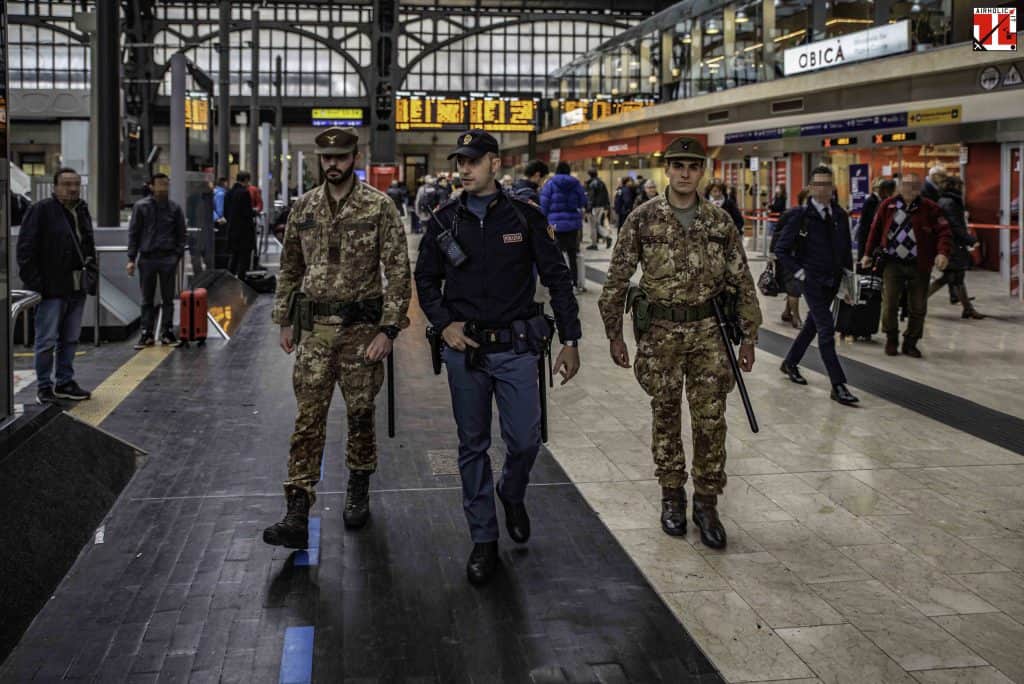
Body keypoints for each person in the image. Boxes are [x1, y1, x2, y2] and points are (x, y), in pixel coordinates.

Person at [414, 129, 581, 586]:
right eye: (460, 162)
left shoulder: (525, 218)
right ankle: (484, 539)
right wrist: (443, 323)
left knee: (526, 441)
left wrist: (571, 338)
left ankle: (512, 491)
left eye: (472, 161)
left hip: (515, 348)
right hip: (464, 351)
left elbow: (558, 278)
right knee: (473, 447)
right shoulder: (444, 221)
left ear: (494, 164)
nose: (464, 169)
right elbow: (425, 279)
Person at [597, 137, 762, 549]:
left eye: (693, 165)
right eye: (677, 165)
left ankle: (706, 502)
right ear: (666, 170)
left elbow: (741, 280)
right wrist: (614, 333)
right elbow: (617, 278)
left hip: (710, 333)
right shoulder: (643, 218)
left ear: (701, 171)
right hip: (661, 336)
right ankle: (672, 495)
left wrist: (749, 337)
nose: (685, 173)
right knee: (665, 414)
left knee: (711, 420)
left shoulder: (719, 221)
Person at [263, 127, 411, 550]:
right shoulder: (305, 207)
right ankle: (297, 507)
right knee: (308, 418)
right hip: (315, 331)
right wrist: (285, 320)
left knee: (361, 414)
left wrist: (389, 328)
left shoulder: (378, 207)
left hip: (362, 332)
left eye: (341, 157)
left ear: (355, 156)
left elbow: (399, 271)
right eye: (326, 158)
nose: (333, 164)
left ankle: (358, 483)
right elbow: (290, 266)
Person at [774, 166, 858, 405]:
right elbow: (781, 249)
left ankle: (790, 362)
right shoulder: (800, 215)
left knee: (812, 326)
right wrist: (800, 272)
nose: (823, 189)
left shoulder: (840, 215)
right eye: (818, 184)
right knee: (826, 328)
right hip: (811, 281)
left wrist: (849, 281)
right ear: (810, 188)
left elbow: (845, 250)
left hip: (833, 280)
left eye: (827, 184)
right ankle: (838, 384)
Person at [16, 167, 95, 404]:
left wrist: (91, 274)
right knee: (47, 340)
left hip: (76, 287)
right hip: (51, 288)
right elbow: (25, 251)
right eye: (66, 184)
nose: (72, 188)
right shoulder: (41, 210)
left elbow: (87, 244)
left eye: (76, 184)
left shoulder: (81, 209)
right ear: (55, 186)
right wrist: (38, 285)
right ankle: (44, 386)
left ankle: (65, 381)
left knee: (70, 338)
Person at [862, 172, 952, 358]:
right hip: (892, 263)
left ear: (919, 189)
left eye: (914, 186)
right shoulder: (887, 206)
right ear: (900, 187)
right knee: (889, 304)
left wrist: (942, 252)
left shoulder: (930, 208)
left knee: (918, 306)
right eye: (906, 185)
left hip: (919, 264)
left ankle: (911, 341)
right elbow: (875, 230)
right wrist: (867, 254)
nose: (909, 189)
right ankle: (891, 338)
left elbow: (944, 232)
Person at [127, 173, 186, 349]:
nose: (163, 187)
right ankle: (147, 333)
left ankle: (167, 331)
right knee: (147, 298)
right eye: (160, 184)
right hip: (147, 258)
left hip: (168, 257)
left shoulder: (174, 208)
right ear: (151, 186)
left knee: (168, 297)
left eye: (166, 184)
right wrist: (131, 258)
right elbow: (134, 233)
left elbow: (181, 234)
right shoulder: (141, 207)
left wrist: (176, 254)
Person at [929, 175, 984, 319]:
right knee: (953, 277)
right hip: (953, 245)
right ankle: (916, 302)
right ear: (955, 187)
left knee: (952, 277)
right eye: (962, 186)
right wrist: (970, 240)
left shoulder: (946, 201)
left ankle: (968, 309)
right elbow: (954, 226)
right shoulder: (951, 203)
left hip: (951, 244)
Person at [540, 161, 588, 294]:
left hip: (554, 225)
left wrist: (543, 222)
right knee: (573, 254)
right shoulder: (576, 183)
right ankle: (574, 284)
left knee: (556, 255)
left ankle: (559, 284)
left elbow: (544, 204)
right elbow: (583, 201)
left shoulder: (549, 184)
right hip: (573, 224)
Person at [771, 187, 810, 329]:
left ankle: (787, 312)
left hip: (803, 256)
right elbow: (777, 233)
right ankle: (796, 317)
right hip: (788, 256)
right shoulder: (792, 214)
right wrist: (772, 253)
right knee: (794, 286)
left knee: (794, 285)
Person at [224, 171, 256, 278]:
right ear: (246, 180)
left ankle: (229, 280)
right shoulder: (244, 193)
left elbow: (226, 212)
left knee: (234, 257)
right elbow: (247, 213)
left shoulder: (229, 193)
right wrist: (254, 212)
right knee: (243, 259)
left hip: (232, 230)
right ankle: (241, 282)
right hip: (244, 233)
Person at [856, 177, 895, 257]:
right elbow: (868, 224)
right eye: (879, 187)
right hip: (867, 238)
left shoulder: (879, 201)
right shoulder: (871, 201)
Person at [585, 168, 612, 250]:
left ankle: (595, 243)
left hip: (594, 207)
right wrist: (607, 205)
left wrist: (588, 208)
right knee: (596, 224)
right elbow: (606, 194)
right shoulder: (601, 182)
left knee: (593, 225)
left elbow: (591, 197)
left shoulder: (592, 184)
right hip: (600, 206)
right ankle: (605, 238)